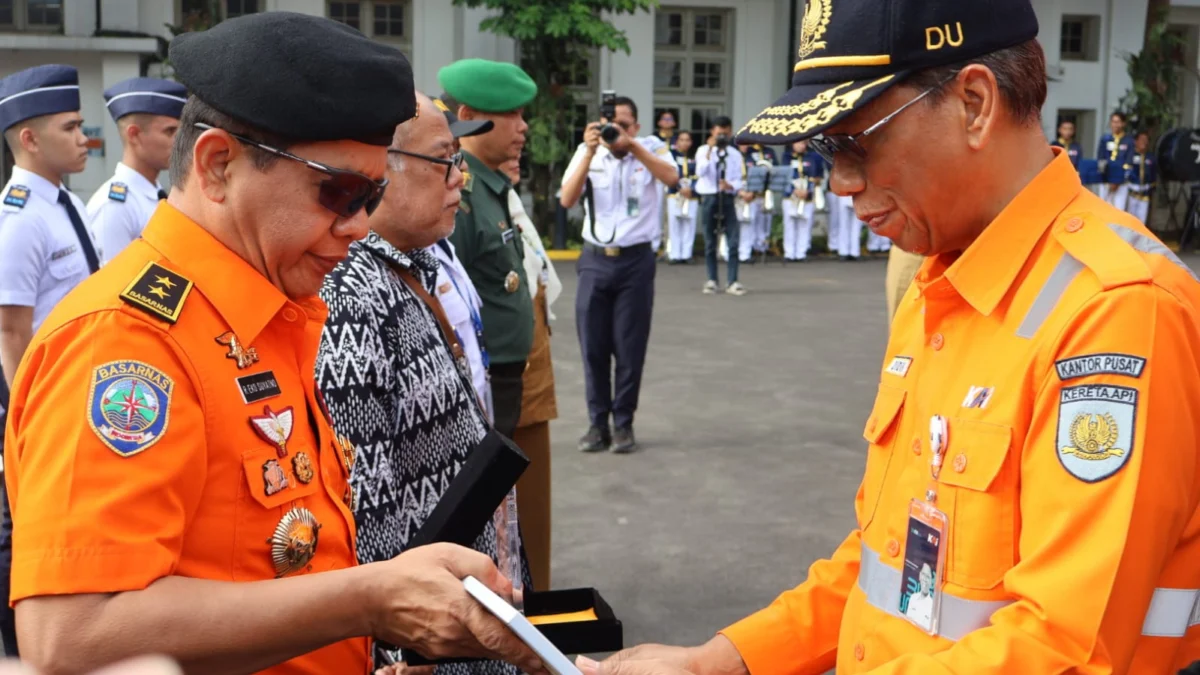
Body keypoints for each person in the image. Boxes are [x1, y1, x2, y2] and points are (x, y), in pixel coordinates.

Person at [591, 0, 1200, 672]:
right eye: (823, 149)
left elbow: (1061, 647)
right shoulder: (940, 280)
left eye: (856, 141)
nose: (842, 182)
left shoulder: (1114, 312)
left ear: (973, 102)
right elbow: (890, 558)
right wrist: (722, 659)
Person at [3, 14, 544, 675]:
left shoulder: (273, 309)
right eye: (338, 191)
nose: (357, 226)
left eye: (372, 194)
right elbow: (71, 633)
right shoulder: (129, 342)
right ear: (219, 165)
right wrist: (370, 599)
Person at [315, 91, 532, 674]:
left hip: (463, 604)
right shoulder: (348, 295)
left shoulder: (415, 262)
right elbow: (362, 500)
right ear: (383, 169)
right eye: (446, 160)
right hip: (424, 638)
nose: (461, 177)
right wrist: (392, 645)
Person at [560, 96, 678, 454]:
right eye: (613, 125)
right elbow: (566, 199)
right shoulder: (588, 151)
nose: (618, 133)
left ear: (637, 127)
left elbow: (671, 177)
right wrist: (589, 151)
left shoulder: (652, 148)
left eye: (625, 126)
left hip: (635, 262)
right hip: (595, 260)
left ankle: (623, 423)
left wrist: (633, 147)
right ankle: (597, 424)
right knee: (593, 347)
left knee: (629, 346)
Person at [439, 59, 537, 441]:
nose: (523, 126)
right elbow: (445, 297)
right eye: (511, 114)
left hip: (504, 372)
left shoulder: (489, 186)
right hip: (481, 376)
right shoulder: (459, 194)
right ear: (467, 116)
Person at [0, 65, 96, 391]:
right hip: (48, 390)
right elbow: (11, 332)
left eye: (80, 126)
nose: (84, 139)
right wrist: (25, 421)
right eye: (70, 128)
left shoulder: (65, 200)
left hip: (79, 375)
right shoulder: (20, 218)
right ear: (30, 140)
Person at [501, 156, 560, 592]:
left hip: (528, 361)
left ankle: (535, 597)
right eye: (509, 116)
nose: (522, 129)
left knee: (533, 504)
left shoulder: (499, 194)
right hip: (502, 377)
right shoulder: (469, 200)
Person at [87, 77, 186, 262]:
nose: (179, 142)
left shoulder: (155, 193)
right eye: (170, 132)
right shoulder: (115, 206)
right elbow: (113, 283)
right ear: (134, 135)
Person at [694, 116, 745, 296]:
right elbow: (700, 172)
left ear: (730, 133)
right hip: (709, 196)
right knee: (710, 241)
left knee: (732, 240)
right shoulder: (702, 151)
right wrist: (710, 149)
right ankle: (712, 280)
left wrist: (731, 185)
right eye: (719, 134)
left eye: (725, 134)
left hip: (728, 197)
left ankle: (733, 280)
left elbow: (740, 179)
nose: (722, 137)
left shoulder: (735, 154)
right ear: (712, 133)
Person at [780, 139, 822, 262]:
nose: (801, 145)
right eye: (798, 143)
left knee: (805, 225)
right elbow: (784, 175)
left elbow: (816, 176)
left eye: (803, 143)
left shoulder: (812, 157)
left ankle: (801, 253)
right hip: (791, 196)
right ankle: (789, 253)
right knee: (789, 225)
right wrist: (794, 190)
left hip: (807, 195)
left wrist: (808, 190)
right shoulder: (786, 157)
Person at [735, 143, 776, 263]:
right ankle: (734, 252)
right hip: (736, 194)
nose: (745, 147)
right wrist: (739, 192)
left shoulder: (751, 158)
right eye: (742, 144)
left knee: (748, 224)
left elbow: (755, 176)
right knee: (737, 225)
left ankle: (746, 253)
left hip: (750, 193)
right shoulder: (732, 157)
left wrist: (752, 191)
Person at [666, 131, 698, 264]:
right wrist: (679, 186)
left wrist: (693, 188)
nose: (684, 143)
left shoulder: (695, 156)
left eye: (687, 140)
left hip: (691, 195)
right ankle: (675, 254)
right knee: (675, 224)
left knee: (689, 224)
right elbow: (668, 172)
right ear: (677, 142)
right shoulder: (670, 155)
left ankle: (686, 254)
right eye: (682, 140)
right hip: (675, 193)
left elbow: (700, 174)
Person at [1098, 111, 1133, 209]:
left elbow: (1128, 162)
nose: (1115, 125)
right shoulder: (1105, 139)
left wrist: (1117, 180)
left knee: (1119, 210)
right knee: (1104, 209)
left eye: (1118, 122)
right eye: (1113, 122)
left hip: (1121, 182)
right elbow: (1101, 159)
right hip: (1105, 180)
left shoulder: (1128, 141)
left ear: (1123, 123)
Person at [1125, 130, 1157, 225]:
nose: (1144, 142)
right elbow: (1126, 173)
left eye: (1146, 140)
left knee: (1141, 223)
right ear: (1136, 141)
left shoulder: (1151, 157)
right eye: (1142, 139)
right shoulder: (1130, 156)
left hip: (1145, 196)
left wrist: (1151, 188)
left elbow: (1153, 176)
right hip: (1131, 194)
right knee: (1130, 222)